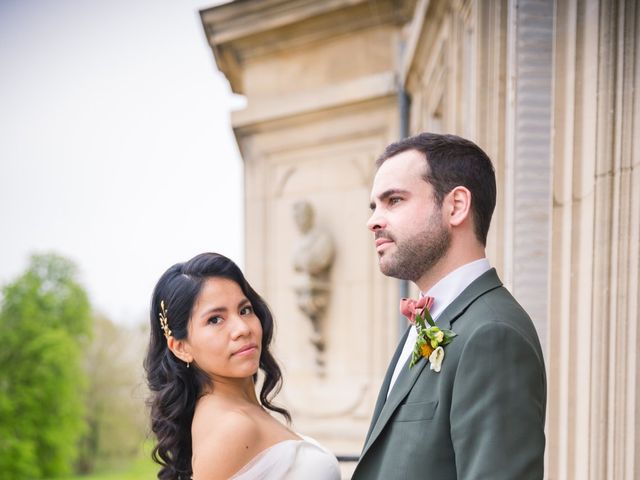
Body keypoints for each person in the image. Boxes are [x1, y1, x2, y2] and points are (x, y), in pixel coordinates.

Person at [352, 133, 546, 479]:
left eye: (393, 200)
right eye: (374, 207)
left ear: (455, 206)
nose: (374, 221)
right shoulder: (434, 319)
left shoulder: (493, 334)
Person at [144, 252, 341, 480]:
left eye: (244, 310)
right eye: (215, 319)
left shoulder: (236, 413)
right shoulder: (233, 427)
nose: (242, 329)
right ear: (181, 347)